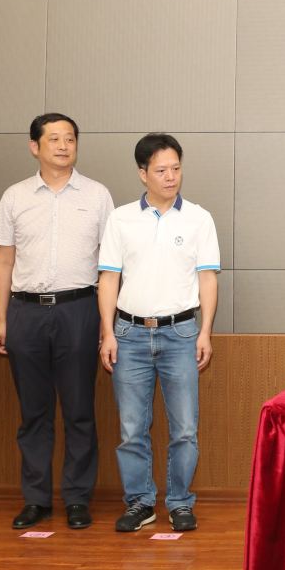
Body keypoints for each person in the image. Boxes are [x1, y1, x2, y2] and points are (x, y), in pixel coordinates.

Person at [0, 112, 115, 531]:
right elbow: (2, 261)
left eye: (70, 139)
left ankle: (77, 498)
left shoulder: (97, 195)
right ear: (35, 147)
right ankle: (36, 499)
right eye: (54, 139)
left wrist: (106, 323)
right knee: (34, 412)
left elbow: (111, 264)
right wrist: (1, 319)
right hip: (25, 311)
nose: (63, 146)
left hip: (78, 308)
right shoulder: (15, 196)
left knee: (79, 410)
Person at [97, 133, 220, 533]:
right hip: (129, 334)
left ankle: (180, 502)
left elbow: (208, 280)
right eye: (161, 170)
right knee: (131, 429)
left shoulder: (199, 218)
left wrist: (205, 332)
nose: (170, 177)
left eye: (176, 168)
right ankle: (140, 502)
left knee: (184, 429)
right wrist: (107, 333)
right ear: (142, 173)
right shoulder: (120, 219)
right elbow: (108, 280)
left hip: (181, 334)